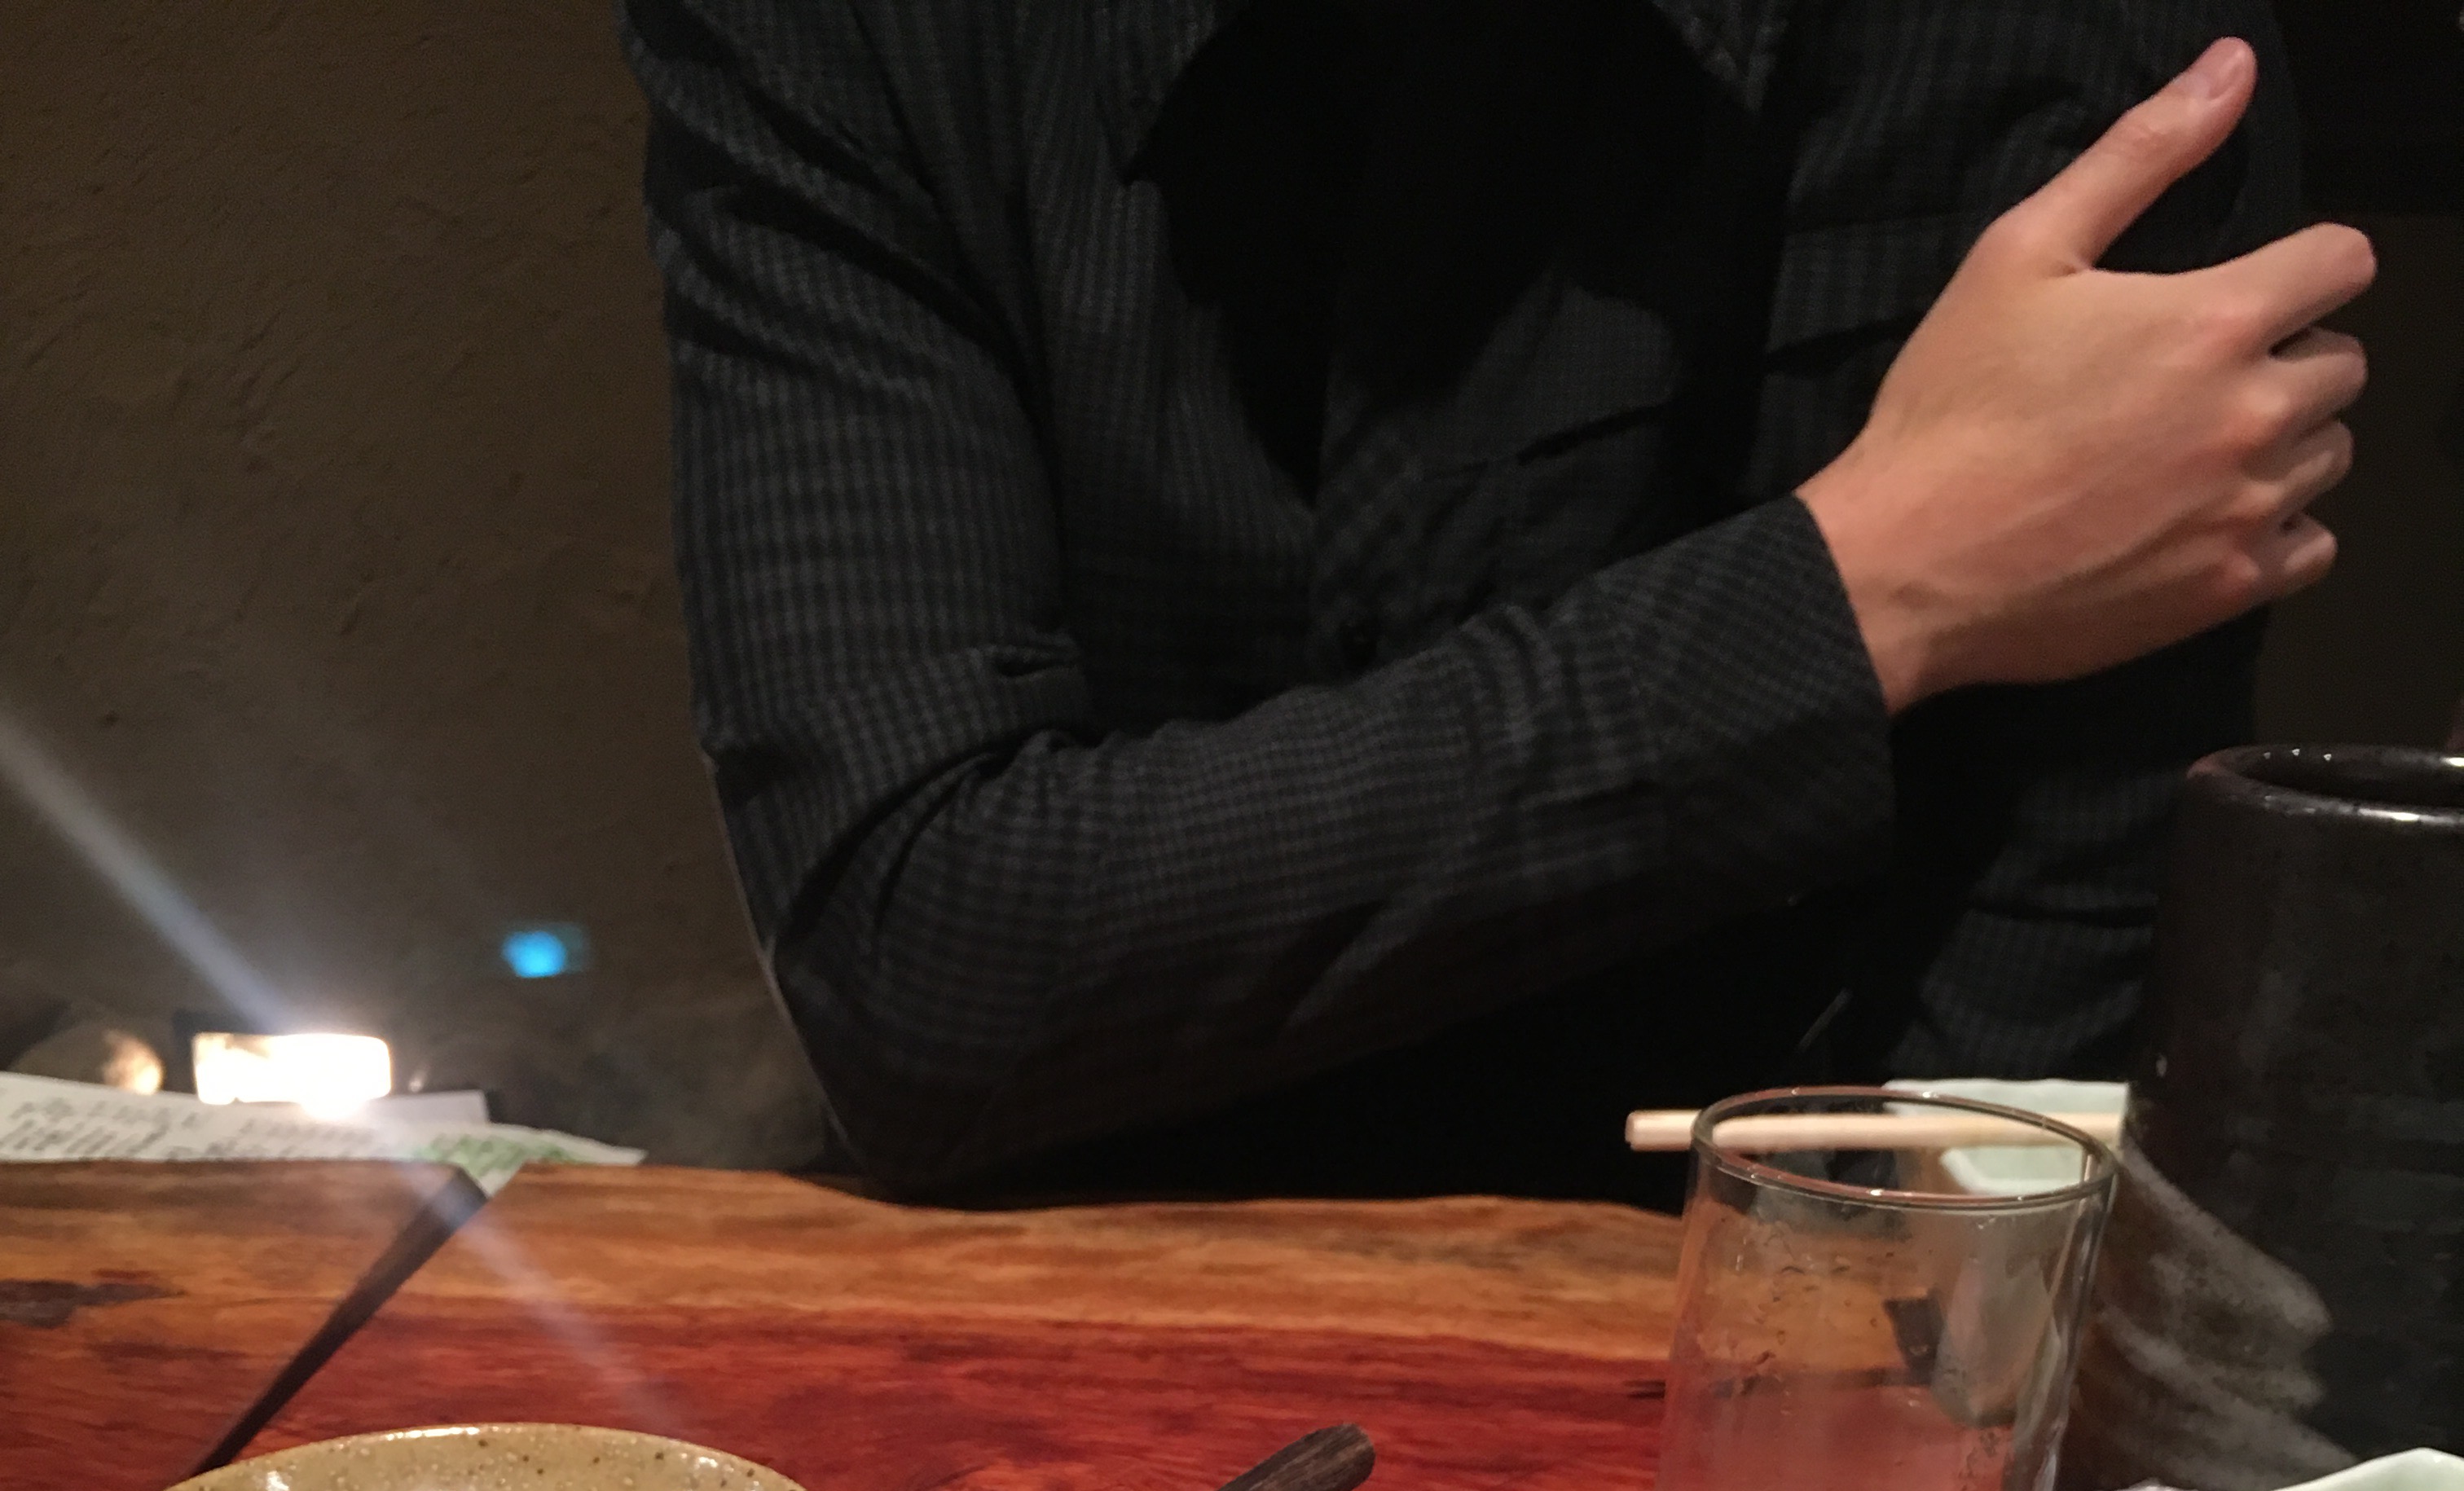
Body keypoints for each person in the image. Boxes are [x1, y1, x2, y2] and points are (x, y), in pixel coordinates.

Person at [620, 0, 2369, 1200]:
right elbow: (919, 962)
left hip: (1746, 1394)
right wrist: (1870, 593)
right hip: (1044, 1316)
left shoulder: (2075, 42)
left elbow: (1975, 1164)